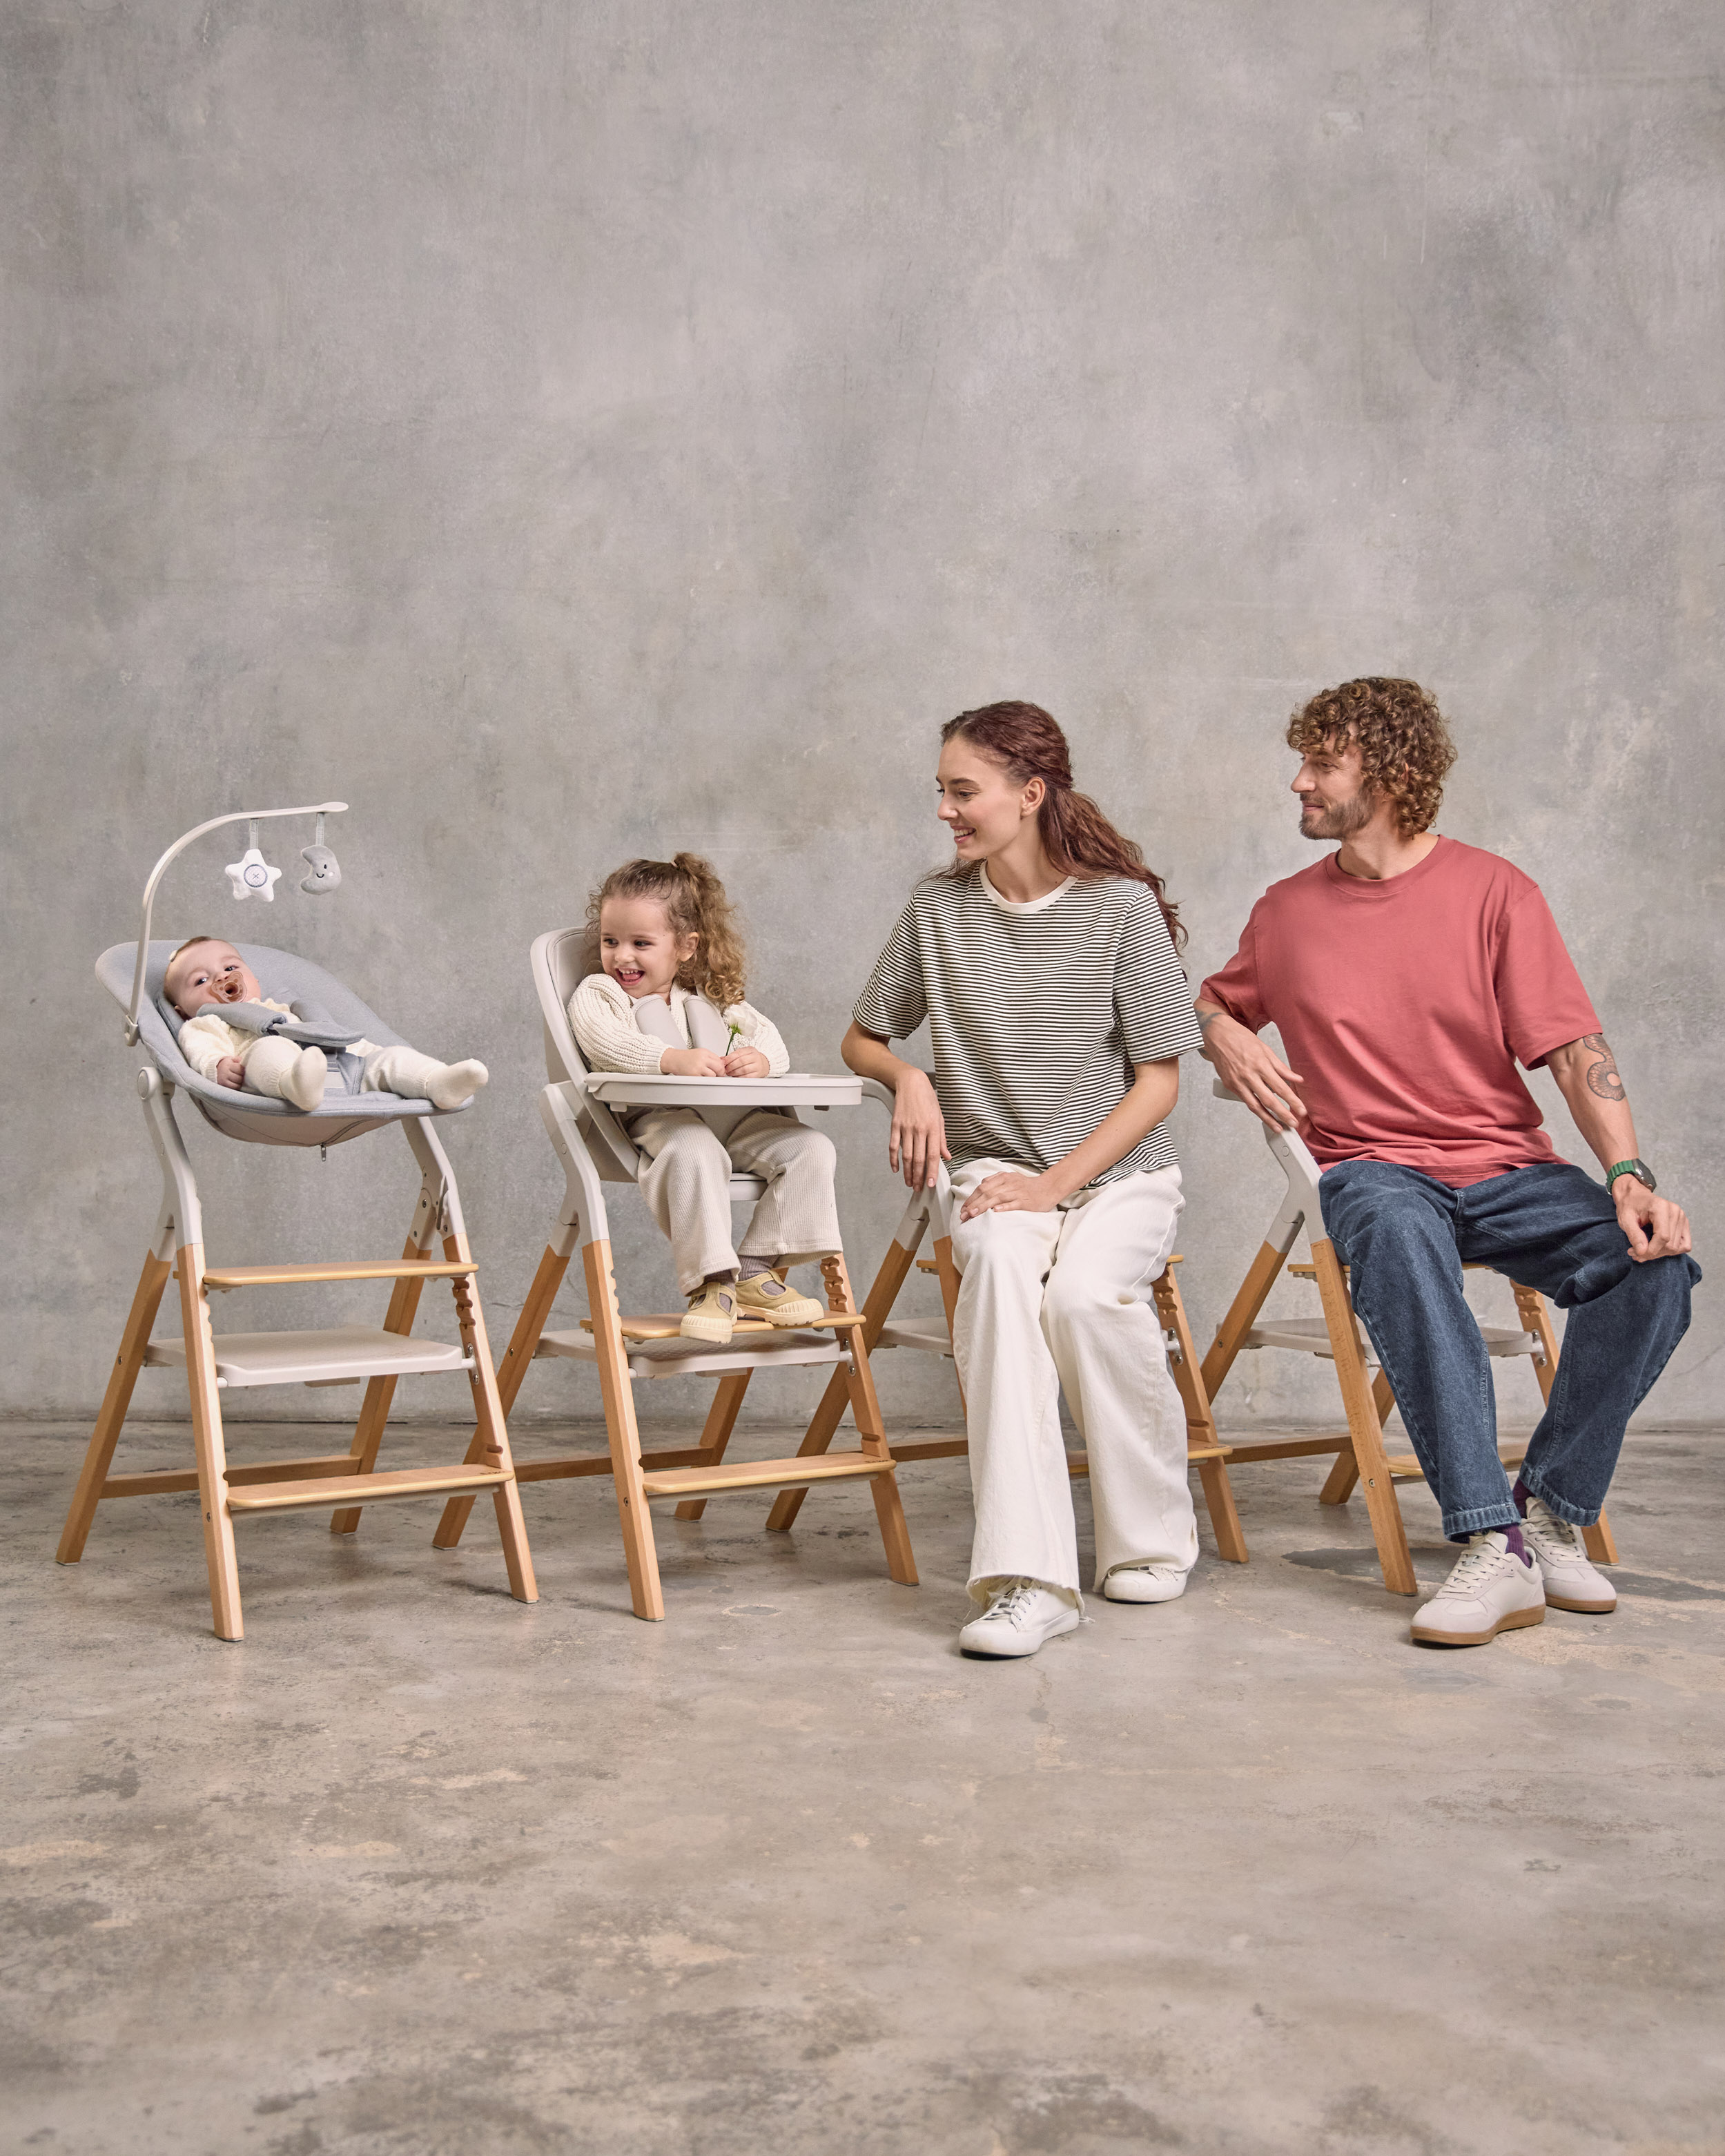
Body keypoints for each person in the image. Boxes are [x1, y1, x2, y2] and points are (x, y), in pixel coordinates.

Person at [1197, 677, 1698, 1648]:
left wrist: (1628, 1175)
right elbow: (1218, 998)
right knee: (1388, 1222)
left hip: (1505, 1172)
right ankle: (1489, 1541)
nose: (1297, 782)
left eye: (1320, 765)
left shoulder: (1493, 889)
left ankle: (1550, 1508)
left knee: (1657, 1265)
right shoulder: (1284, 910)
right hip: (1374, 1170)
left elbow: (1571, 1047)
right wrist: (1221, 1030)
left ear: (1386, 776)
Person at [846, 701, 1207, 1660]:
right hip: (993, 1171)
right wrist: (908, 1075)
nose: (944, 811)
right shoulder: (935, 908)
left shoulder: (1118, 905)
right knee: (1001, 1277)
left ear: (1028, 793)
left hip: (1115, 1172)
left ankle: (1150, 1535)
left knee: (1086, 1299)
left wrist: (1057, 1185)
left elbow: (1160, 1077)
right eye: (942, 791)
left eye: (961, 791)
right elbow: (861, 1036)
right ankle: (1026, 1579)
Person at [569, 853, 841, 1346]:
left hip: (733, 1121)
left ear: (686, 948)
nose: (622, 956)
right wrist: (671, 1058)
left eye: (641, 943)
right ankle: (712, 1285)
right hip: (660, 1121)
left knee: (811, 1148)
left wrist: (760, 1061)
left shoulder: (710, 999)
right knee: (694, 1149)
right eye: (611, 941)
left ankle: (756, 1273)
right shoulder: (602, 993)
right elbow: (602, 1041)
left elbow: (771, 1040)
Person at [166, 937, 487, 1111]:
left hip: (341, 1068)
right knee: (269, 1047)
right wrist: (217, 1066)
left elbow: (332, 1035)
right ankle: (297, 1084)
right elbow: (200, 1051)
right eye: (201, 980)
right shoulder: (204, 1024)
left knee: (387, 1058)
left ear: (253, 978)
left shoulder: (281, 1009)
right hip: (269, 1079)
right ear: (183, 1012)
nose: (221, 978)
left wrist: (363, 1051)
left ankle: (437, 1082)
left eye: (230, 966)